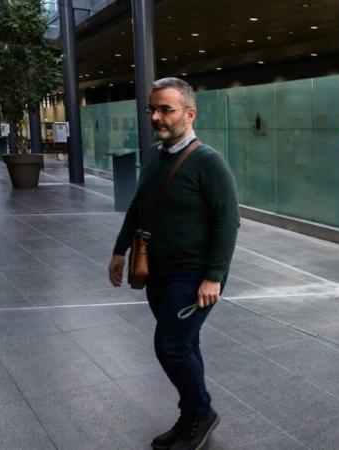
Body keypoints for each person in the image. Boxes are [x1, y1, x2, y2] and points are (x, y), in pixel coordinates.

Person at [108, 78, 239, 450]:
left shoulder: (208, 162)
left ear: (189, 113)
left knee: (170, 346)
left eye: (166, 109)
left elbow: (228, 221)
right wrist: (120, 250)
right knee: (184, 342)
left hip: (194, 274)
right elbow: (139, 206)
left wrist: (213, 277)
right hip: (157, 273)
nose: (156, 116)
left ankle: (199, 412)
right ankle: (190, 416)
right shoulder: (152, 155)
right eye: (152, 108)